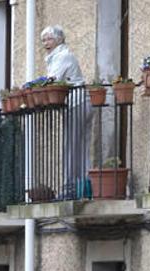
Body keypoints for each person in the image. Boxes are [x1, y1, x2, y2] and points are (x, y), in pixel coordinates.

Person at [40, 25, 89, 198]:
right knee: (76, 145)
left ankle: (71, 188)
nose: (46, 43)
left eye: (49, 39)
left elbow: (52, 80)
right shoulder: (55, 57)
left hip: (77, 102)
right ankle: (80, 186)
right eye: (44, 40)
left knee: (72, 146)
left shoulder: (63, 56)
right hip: (74, 104)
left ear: (59, 40)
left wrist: (35, 90)